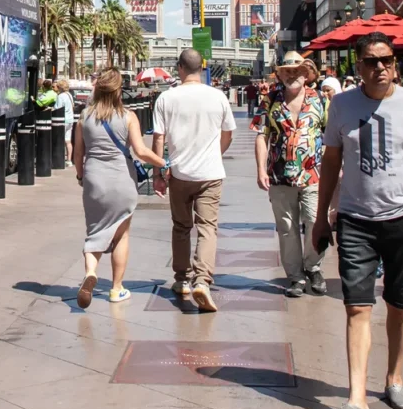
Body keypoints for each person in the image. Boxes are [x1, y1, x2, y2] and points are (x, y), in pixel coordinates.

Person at [314, 32, 403, 409]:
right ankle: (357, 398)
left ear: (395, 63)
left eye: (386, 60)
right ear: (358, 67)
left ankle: (394, 379)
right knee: (356, 306)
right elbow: (331, 165)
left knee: (399, 305)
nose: (380, 68)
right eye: (371, 61)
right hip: (356, 219)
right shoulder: (341, 105)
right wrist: (322, 217)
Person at [72, 68, 166, 309]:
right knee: (121, 234)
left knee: (95, 231)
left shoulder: (84, 116)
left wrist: (81, 176)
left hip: (94, 179)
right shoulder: (128, 116)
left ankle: (91, 271)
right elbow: (141, 151)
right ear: (118, 91)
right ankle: (116, 289)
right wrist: (164, 163)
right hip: (121, 180)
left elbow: (77, 154)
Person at [152, 49, 236, 312]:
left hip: (179, 173)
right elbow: (228, 134)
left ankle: (181, 280)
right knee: (207, 228)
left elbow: (158, 139)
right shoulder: (218, 96)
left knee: (181, 227)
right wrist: (214, 155)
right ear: (202, 67)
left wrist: (158, 173)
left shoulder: (166, 98)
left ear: (179, 68)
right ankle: (202, 279)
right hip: (210, 174)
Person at [255, 51, 329, 298]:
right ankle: (295, 276)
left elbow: (331, 137)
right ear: (279, 74)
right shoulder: (270, 100)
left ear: (306, 74)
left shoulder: (321, 100)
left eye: (296, 71)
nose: (292, 75)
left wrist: (334, 169)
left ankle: (313, 267)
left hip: (313, 174)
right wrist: (260, 169)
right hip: (279, 175)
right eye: (287, 71)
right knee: (286, 227)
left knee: (314, 222)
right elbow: (262, 136)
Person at [55, 79, 76, 167]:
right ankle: (69, 160)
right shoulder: (69, 95)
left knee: (59, 140)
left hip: (63, 120)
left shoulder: (61, 96)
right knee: (68, 141)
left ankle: (59, 159)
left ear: (60, 87)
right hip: (70, 120)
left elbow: (57, 108)